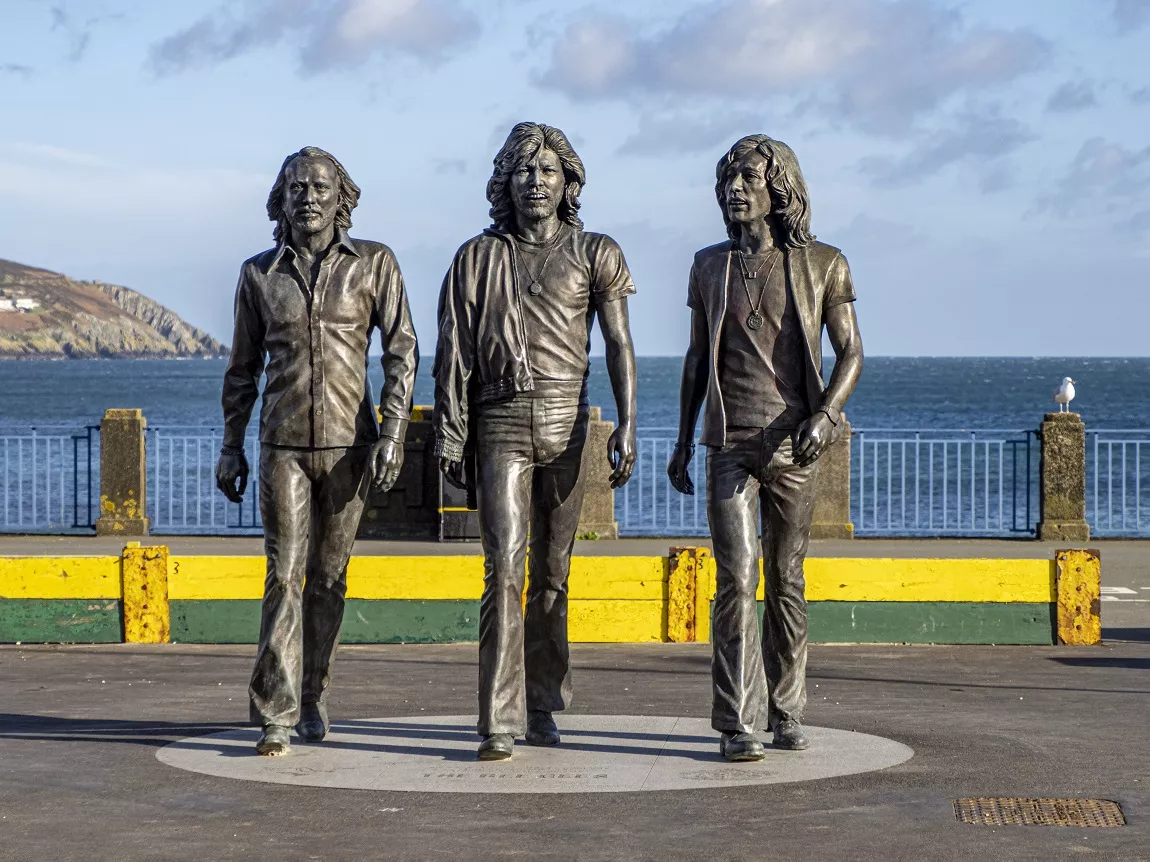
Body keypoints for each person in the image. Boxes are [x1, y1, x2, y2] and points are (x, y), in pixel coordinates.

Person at [432, 122, 638, 761]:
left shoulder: (596, 252)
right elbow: (452, 355)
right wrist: (450, 433)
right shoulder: (475, 257)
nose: (536, 182)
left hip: (568, 425)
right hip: (498, 422)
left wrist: (627, 421)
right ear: (505, 182)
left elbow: (618, 343)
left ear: (568, 181)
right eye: (524, 171)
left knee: (553, 575)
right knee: (504, 572)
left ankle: (545, 703)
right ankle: (497, 716)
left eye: (549, 170)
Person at [216, 147, 418, 756]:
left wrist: (393, 433)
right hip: (282, 448)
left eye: (320, 186)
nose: (308, 196)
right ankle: (274, 711)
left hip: (351, 448)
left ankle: (313, 692)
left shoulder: (374, 264)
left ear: (342, 198)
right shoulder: (258, 275)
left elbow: (402, 350)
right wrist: (231, 446)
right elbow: (241, 369)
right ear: (280, 200)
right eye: (296, 187)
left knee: (329, 580)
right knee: (284, 576)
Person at [667, 135, 863, 762]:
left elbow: (852, 353)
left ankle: (787, 709)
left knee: (785, 579)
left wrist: (827, 415)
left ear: (777, 189)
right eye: (726, 179)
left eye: (748, 178)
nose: (733, 189)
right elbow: (697, 360)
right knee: (734, 580)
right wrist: (681, 440)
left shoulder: (824, 264)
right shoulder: (707, 266)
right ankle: (735, 722)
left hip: (794, 449)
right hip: (728, 444)